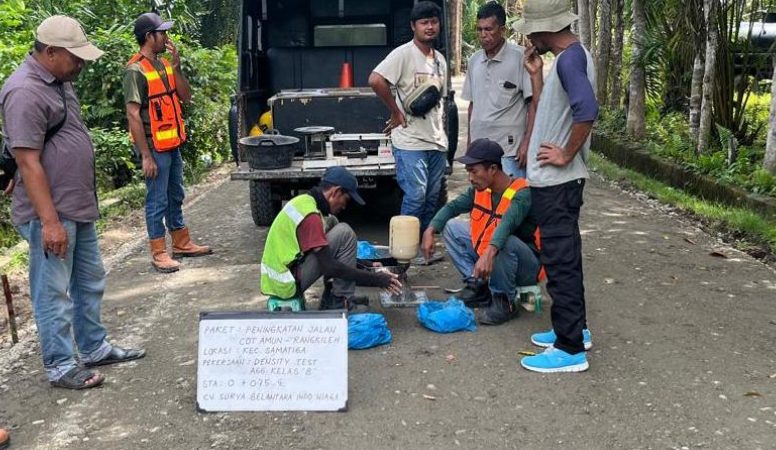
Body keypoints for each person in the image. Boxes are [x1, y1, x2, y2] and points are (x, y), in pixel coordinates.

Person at [0, 16, 145, 390]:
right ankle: (61, 364)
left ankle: (94, 346)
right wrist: (49, 223)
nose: (81, 63)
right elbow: (28, 162)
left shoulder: (60, 81)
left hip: (76, 206)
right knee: (54, 292)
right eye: (74, 56)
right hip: (52, 214)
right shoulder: (25, 91)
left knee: (89, 281)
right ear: (49, 52)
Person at [513, 0, 599, 373]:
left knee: (560, 260)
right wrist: (535, 75)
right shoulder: (568, 58)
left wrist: (565, 153)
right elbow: (561, 108)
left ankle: (569, 349)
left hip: (558, 182)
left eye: (531, 29)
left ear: (546, 27)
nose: (528, 36)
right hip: (557, 181)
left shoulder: (568, 60)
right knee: (567, 257)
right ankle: (575, 330)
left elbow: (586, 110)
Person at [124, 12, 212, 274]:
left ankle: (182, 243)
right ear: (149, 37)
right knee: (156, 200)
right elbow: (132, 114)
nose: (166, 37)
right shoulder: (134, 70)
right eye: (162, 33)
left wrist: (176, 67)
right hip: (153, 148)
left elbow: (185, 97)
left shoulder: (163, 64)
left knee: (176, 194)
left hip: (172, 143)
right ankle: (159, 252)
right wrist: (145, 156)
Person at [420, 139, 540, 325]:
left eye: (474, 171)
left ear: (492, 169)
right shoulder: (480, 190)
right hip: (497, 258)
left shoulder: (522, 193)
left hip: (526, 268)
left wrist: (488, 254)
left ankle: (504, 302)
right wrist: (430, 229)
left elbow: (506, 225)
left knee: (503, 241)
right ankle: (479, 286)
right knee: (451, 227)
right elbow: (452, 207)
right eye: (469, 172)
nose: (470, 178)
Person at [261, 166, 402, 311]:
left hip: (288, 273)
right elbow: (329, 266)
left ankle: (334, 295)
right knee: (344, 233)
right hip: (285, 283)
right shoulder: (311, 216)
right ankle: (339, 301)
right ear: (335, 192)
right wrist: (376, 280)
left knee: (333, 222)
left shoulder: (305, 202)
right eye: (345, 199)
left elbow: (329, 255)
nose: (344, 206)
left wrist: (367, 266)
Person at [369, 1, 448, 232]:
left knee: (432, 198)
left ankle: (423, 246)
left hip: (436, 141)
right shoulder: (403, 54)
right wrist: (396, 111)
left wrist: (443, 137)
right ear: (414, 26)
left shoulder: (440, 60)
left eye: (434, 22)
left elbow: (441, 102)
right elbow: (375, 80)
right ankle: (405, 251)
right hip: (410, 141)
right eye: (424, 23)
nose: (430, 27)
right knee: (415, 196)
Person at [462, 2, 534, 178]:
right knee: (483, 203)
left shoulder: (521, 58)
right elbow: (473, 105)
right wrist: (470, 143)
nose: (483, 35)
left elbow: (533, 104)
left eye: (488, 29)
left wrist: (527, 142)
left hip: (509, 152)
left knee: (509, 201)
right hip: (479, 152)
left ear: (502, 30)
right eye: (479, 30)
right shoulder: (474, 61)